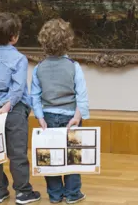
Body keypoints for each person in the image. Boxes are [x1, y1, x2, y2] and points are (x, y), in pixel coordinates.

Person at [0, 12, 41, 204]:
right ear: (14, 37)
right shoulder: (19, 59)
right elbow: (18, 87)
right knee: (17, 152)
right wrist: (8, 106)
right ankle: (23, 192)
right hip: (14, 110)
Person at [30, 19, 89, 204]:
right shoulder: (74, 66)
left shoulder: (38, 68)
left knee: (50, 157)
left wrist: (39, 117)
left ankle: (55, 195)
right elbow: (82, 94)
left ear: (43, 42)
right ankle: (72, 194)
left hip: (47, 117)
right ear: (68, 41)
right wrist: (78, 116)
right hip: (71, 117)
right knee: (72, 157)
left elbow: (35, 96)